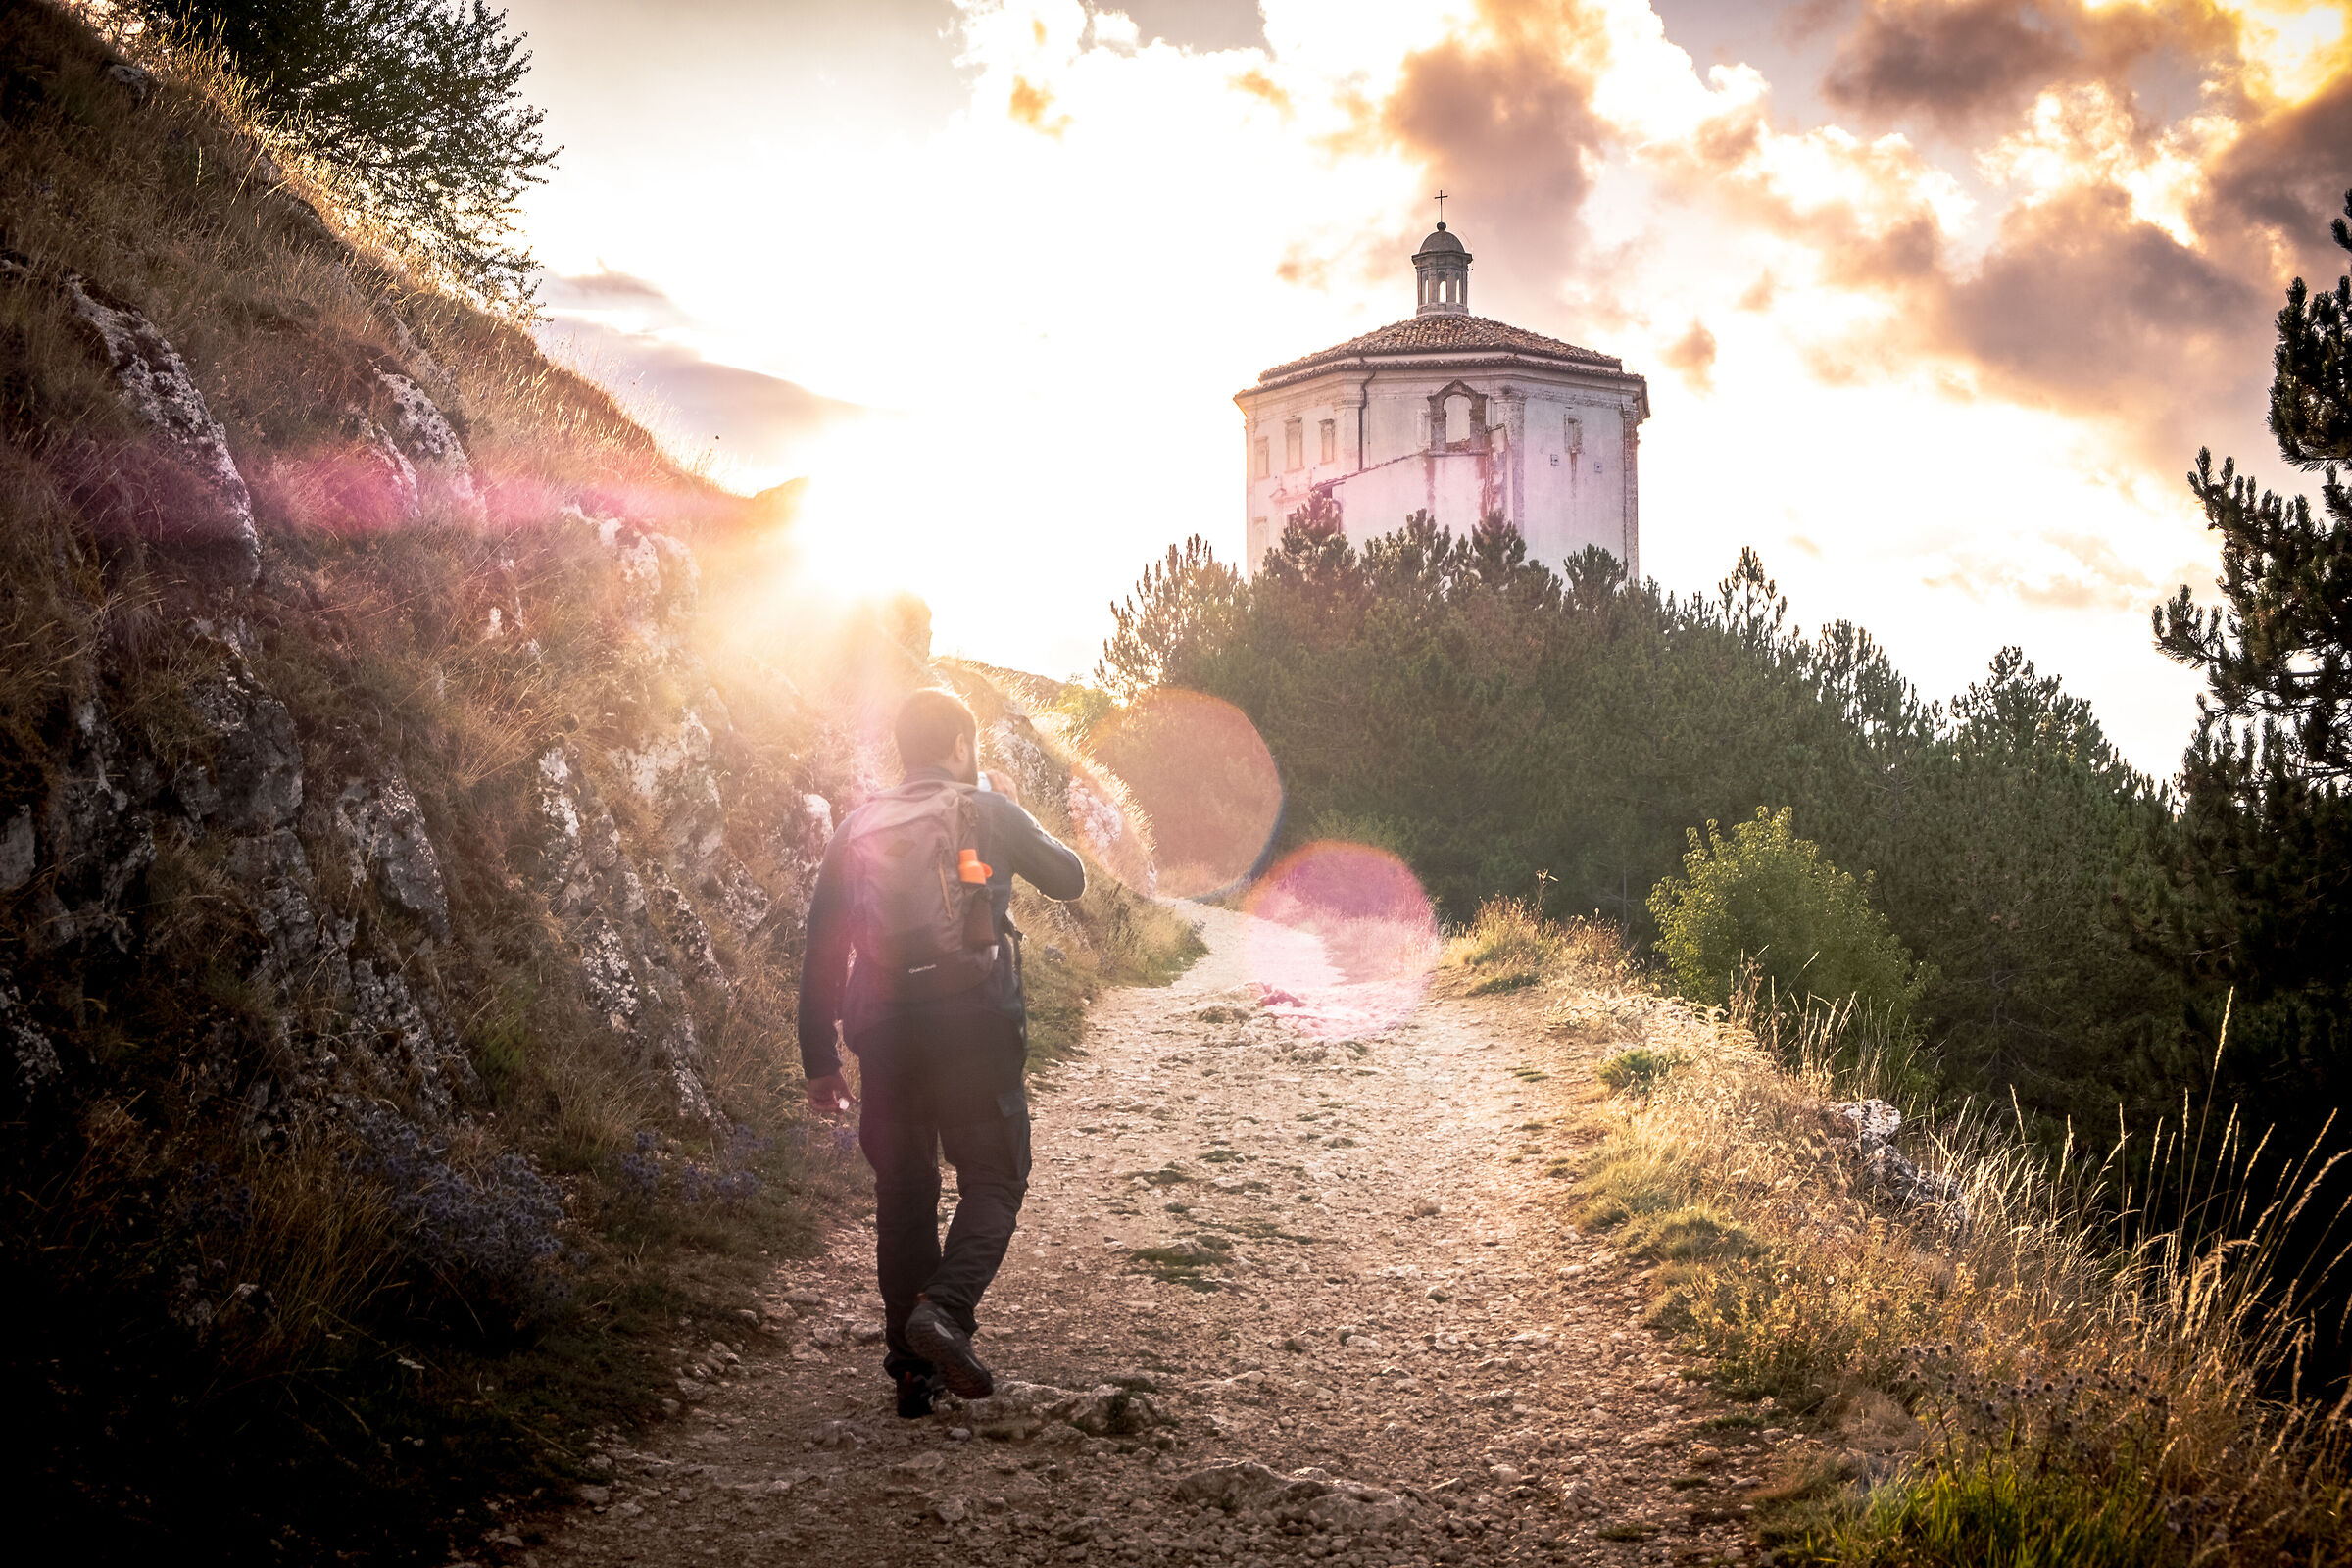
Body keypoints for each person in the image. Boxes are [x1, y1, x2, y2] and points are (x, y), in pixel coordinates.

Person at [798, 688, 1086, 1417]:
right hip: (974, 1027)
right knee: (994, 1174)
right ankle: (946, 1311)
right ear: (960, 743)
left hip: (886, 1032)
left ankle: (910, 1372)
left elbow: (823, 944)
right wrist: (1015, 810)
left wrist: (818, 1057)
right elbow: (1069, 878)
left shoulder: (857, 826)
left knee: (903, 1192)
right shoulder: (987, 809)